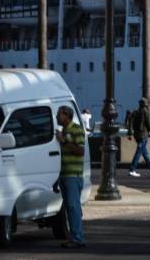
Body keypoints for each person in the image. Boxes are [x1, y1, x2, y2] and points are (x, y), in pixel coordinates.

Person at [55, 106, 86, 249]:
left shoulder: (76, 129)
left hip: (73, 175)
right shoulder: (65, 131)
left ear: (66, 115)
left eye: (59, 115)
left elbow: (80, 151)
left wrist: (63, 141)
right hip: (65, 175)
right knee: (71, 207)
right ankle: (76, 235)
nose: (56, 117)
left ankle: (77, 238)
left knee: (73, 207)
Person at [128, 98, 150, 177]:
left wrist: (129, 132)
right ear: (145, 104)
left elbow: (129, 120)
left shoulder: (135, 111)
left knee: (145, 153)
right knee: (139, 152)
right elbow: (149, 124)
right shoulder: (146, 112)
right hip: (143, 135)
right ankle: (132, 169)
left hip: (136, 134)